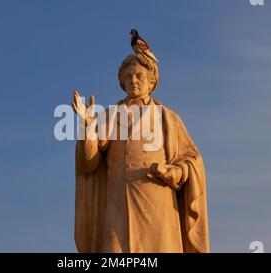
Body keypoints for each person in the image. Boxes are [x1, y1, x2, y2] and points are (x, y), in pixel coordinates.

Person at [72, 54, 209, 253]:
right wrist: (87, 129)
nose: (133, 81)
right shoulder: (109, 117)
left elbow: (191, 159)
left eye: (138, 76)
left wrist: (176, 172)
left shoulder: (168, 118)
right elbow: (88, 164)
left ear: (151, 81)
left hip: (157, 210)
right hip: (117, 211)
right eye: (127, 77)